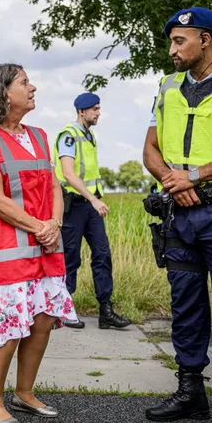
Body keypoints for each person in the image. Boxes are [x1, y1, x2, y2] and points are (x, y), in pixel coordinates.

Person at [143, 7, 212, 423]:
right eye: (170, 42)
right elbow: (150, 148)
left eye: (179, 41)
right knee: (184, 303)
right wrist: (172, 180)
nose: (172, 50)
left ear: (206, 39)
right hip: (178, 211)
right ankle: (190, 391)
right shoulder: (166, 86)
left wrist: (196, 176)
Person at [0, 63, 78, 423]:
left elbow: (56, 187)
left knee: (41, 323)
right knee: (8, 328)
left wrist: (54, 224)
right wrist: (40, 227)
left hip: (45, 248)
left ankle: (24, 393)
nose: (34, 87)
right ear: (3, 92)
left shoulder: (41, 136)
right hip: (8, 253)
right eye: (25, 82)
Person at [53, 93, 131, 329]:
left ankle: (105, 311)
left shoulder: (90, 136)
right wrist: (93, 200)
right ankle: (64, 310)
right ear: (81, 111)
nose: (98, 113)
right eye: (95, 109)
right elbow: (68, 173)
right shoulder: (69, 135)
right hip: (74, 205)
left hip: (89, 205)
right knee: (70, 258)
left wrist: (94, 201)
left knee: (102, 254)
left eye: (99, 108)